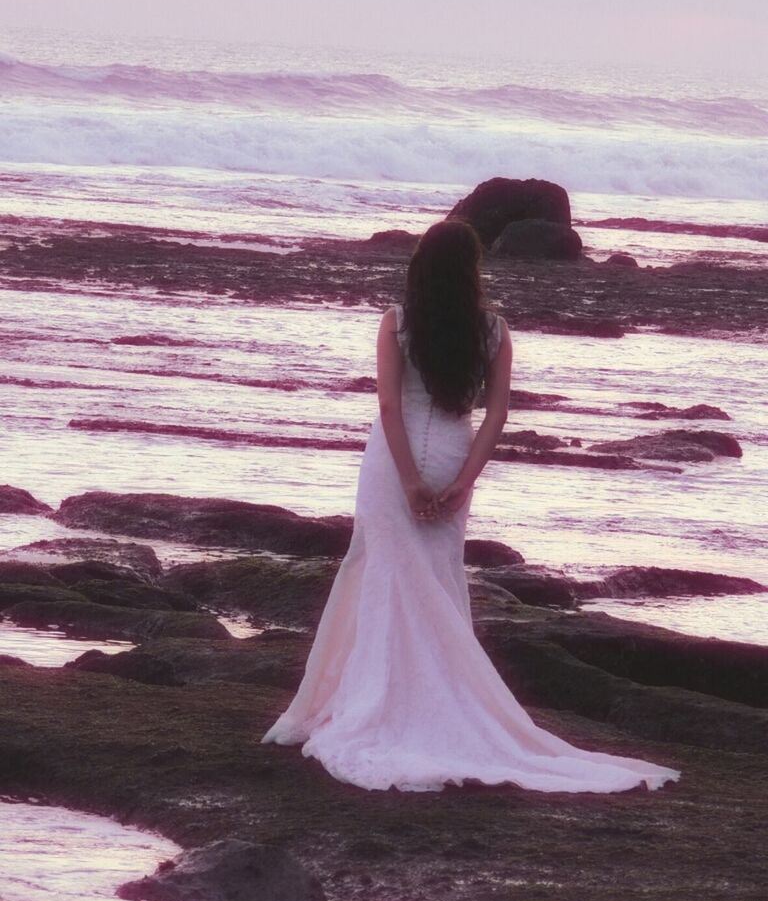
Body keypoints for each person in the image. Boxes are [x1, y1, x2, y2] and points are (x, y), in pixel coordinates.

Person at [261, 219, 681, 794]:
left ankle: (376, 700)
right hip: (456, 452)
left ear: (420, 268)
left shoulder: (398, 323)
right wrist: (462, 480)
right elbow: (497, 415)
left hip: (394, 460)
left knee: (386, 574)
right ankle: (434, 702)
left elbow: (389, 405)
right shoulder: (494, 331)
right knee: (434, 579)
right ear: (470, 272)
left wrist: (409, 481)